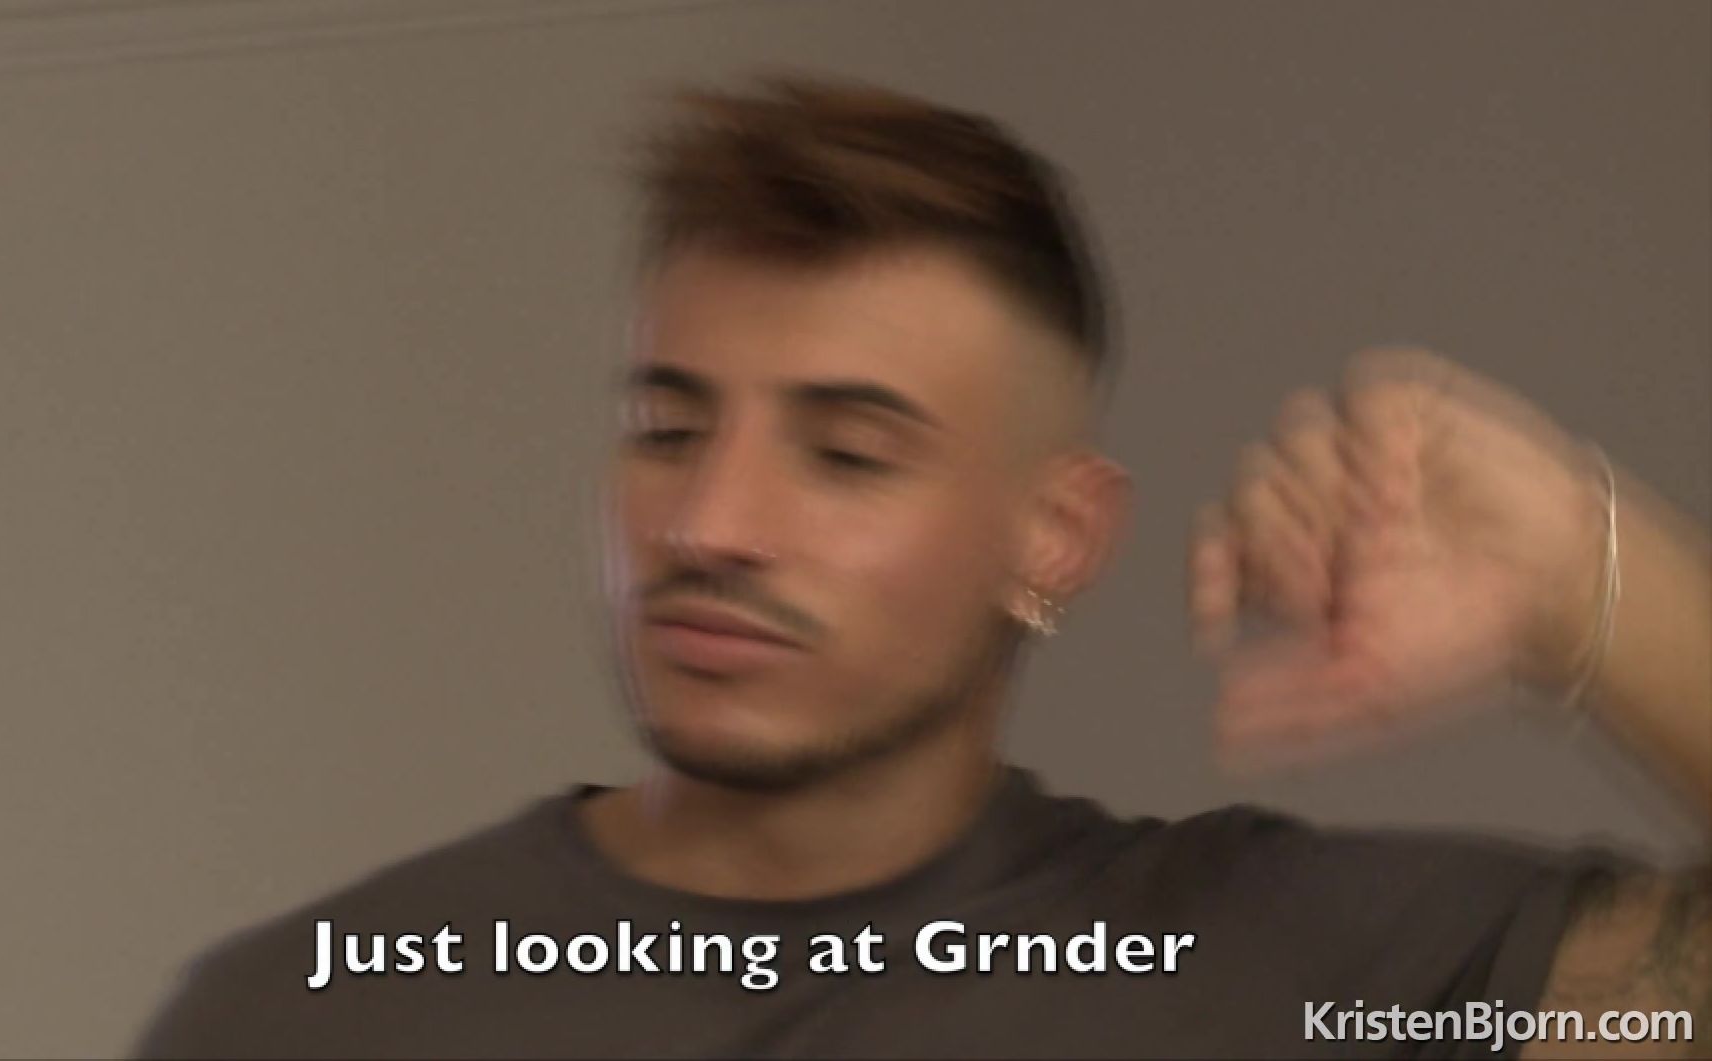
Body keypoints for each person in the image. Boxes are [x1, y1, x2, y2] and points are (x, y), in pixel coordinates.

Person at [133, 75, 1709, 1059]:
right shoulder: (299, 1012)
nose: (709, 521)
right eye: (668, 428)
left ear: (1054, 536)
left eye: (847, 451)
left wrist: (1594, 581)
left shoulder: (1283, 967)